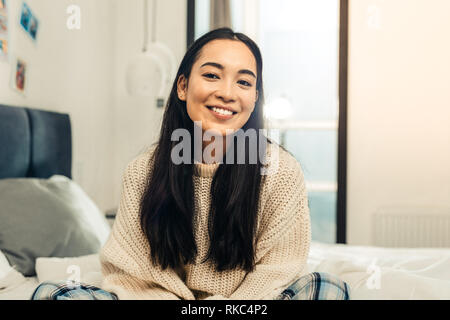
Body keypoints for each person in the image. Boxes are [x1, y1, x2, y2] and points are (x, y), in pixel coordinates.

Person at [31, 27, 350, 300]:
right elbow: (134, 273)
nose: (227, 93)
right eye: (212, 75)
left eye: (243, 82)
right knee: (53, 292)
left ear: (254, 98)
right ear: (183, 86)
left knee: (327, 287)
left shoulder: (278, 170)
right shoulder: (144, 171)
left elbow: (279, 269)